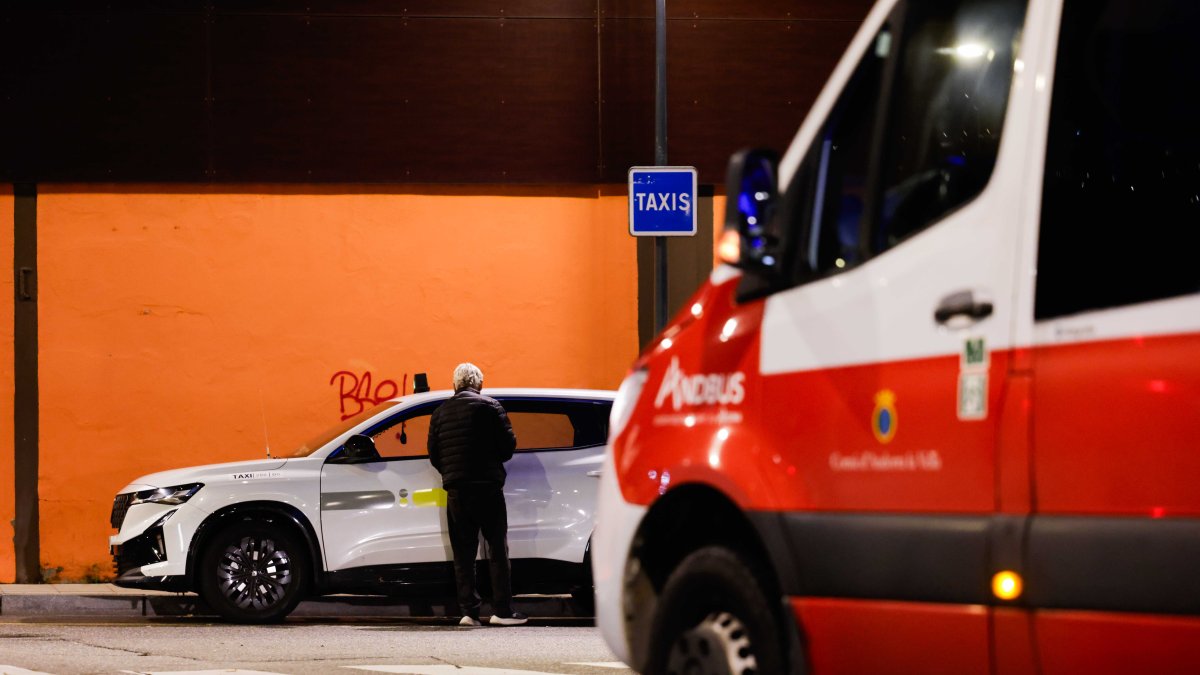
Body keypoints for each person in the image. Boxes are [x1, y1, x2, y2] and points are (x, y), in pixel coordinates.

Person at [427, 362, 526, 626]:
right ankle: (502, 611)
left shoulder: (440, 413)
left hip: (457, 490)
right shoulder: (491, 407)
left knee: (463, 552)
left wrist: (453, 473)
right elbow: (508, 447)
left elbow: (434, 455)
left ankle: (469, 613)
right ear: (479, 384)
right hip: (488, 487)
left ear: (455, 385)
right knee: (496, 549)